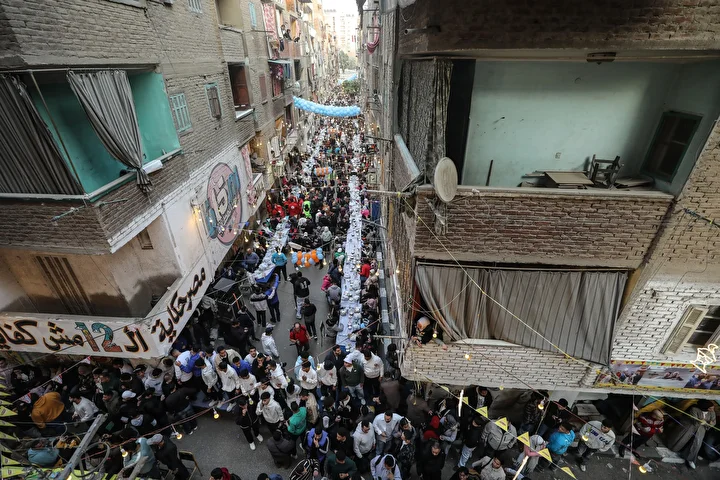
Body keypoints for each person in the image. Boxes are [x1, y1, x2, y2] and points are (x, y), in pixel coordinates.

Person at [665, 399, 716, 469]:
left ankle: (690, 459)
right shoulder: (694, 409)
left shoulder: (712, 412)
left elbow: (713, 422)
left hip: (701, 429)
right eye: (711, 408)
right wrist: (706, 422)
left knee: (696, 443)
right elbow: (695, 421)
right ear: (705, 407)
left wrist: (706, 423)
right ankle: (674, 448)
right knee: (682, 438)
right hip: (690, 426)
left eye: (713, 408)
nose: (713, 409)